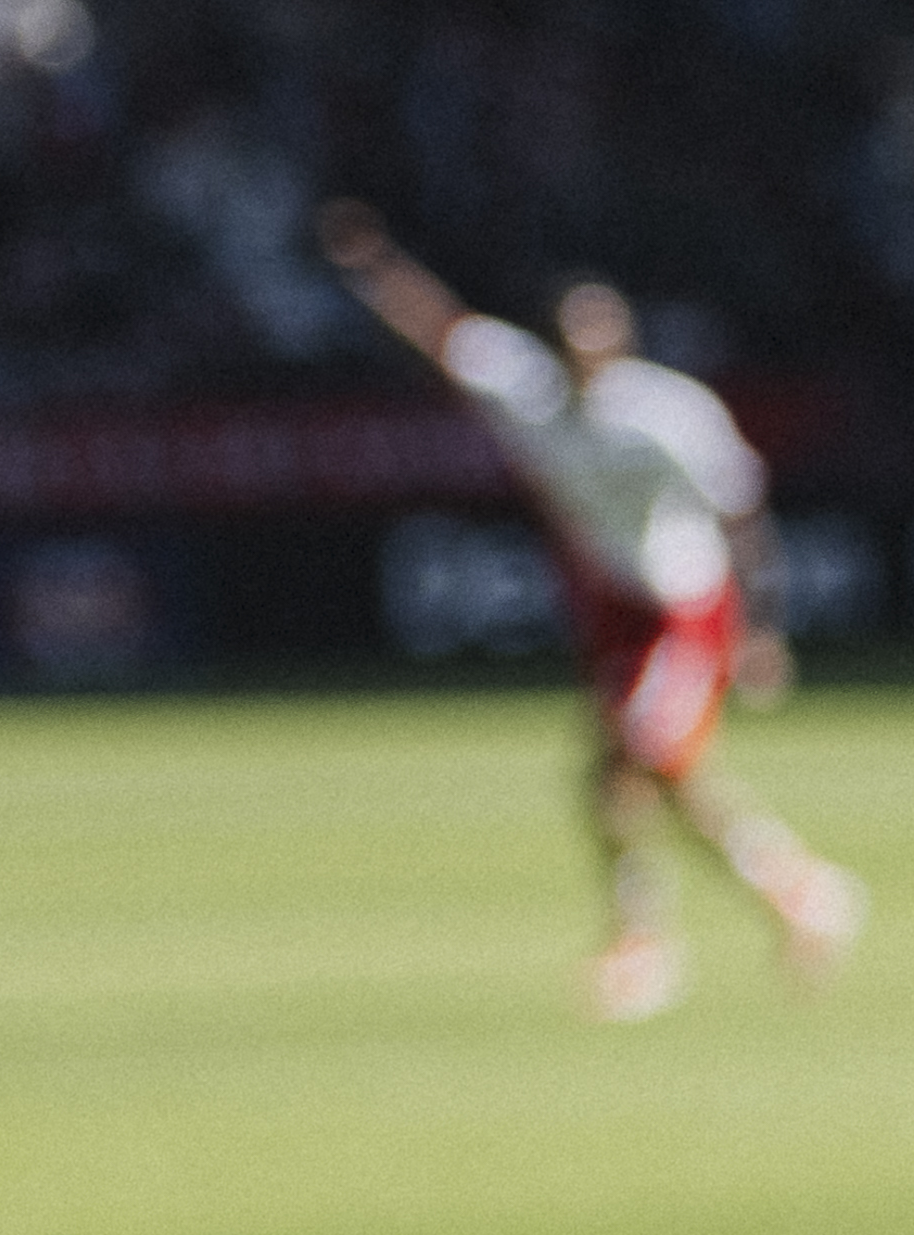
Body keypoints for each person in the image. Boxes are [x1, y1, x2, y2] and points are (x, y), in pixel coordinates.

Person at [318, 200, 865, 1021]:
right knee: (637, 779)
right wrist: (373, 264)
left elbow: (740, 513)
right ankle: (793, 893)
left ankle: (657, 938)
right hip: (612, 603)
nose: (592, 355)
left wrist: (762, 626)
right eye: (577, 340)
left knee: (631, 765)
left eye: (604, 337)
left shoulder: (666, 415)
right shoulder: (524, 390)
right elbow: (438, 327)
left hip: (684, 605)